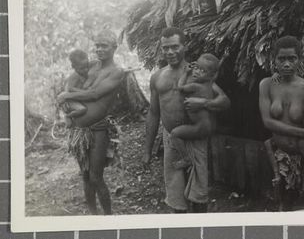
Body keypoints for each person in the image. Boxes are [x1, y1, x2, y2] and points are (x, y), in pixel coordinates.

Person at [142, 27, 230, 213]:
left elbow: (224, 101)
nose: (170, 52)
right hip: (172, 140)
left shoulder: (197, 72)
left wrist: (204, 102)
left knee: (199, 195)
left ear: (184, 46)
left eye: (174, 46)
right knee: (176, 198)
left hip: (195, 137)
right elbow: (153, 113)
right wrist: (147, 150)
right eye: (165, 48)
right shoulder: (157, 77)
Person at [57, 29, 124, 215]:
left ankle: (108, 218)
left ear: (114, 48)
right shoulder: (91, 66)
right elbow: (74, 78)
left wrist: (66, 95)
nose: (100, 49)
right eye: (97, 46)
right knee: (86, 176)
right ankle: (93, 216)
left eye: (104, 46)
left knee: (96, 176)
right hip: (79, 130)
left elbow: (95, 94)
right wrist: (67, 105)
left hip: (98, 129)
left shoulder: (117, 72)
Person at [259, 35, 304, 211]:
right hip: (281, 158)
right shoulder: (267, 84)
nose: (287, 64)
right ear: (274, 60)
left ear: (300, 59)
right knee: (284, 207)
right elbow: (267, 122)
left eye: (292, 58)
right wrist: (302, 133)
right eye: (281, 59)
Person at [170, 53, 220, 169]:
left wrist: (185, 73)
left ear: (209, 75)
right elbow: (214, 73)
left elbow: (180, 87)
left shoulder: (196, 86)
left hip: (200, 126)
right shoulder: (209, 83)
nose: (197, 72)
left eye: (202, 71)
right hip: (207, 125)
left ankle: (187, 159)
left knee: (174, 134)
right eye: (196, 67)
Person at [60, 49, 96, 127]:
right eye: (82, 68)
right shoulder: (75, 76)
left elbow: (97, 62)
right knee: (82, 109)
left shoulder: (86, 71)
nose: (86, 70)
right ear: (74, 67)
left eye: (87, 66)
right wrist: (84, 91)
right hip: (70, 99)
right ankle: (68, 116)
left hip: (77, 97)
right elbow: (70, 89)